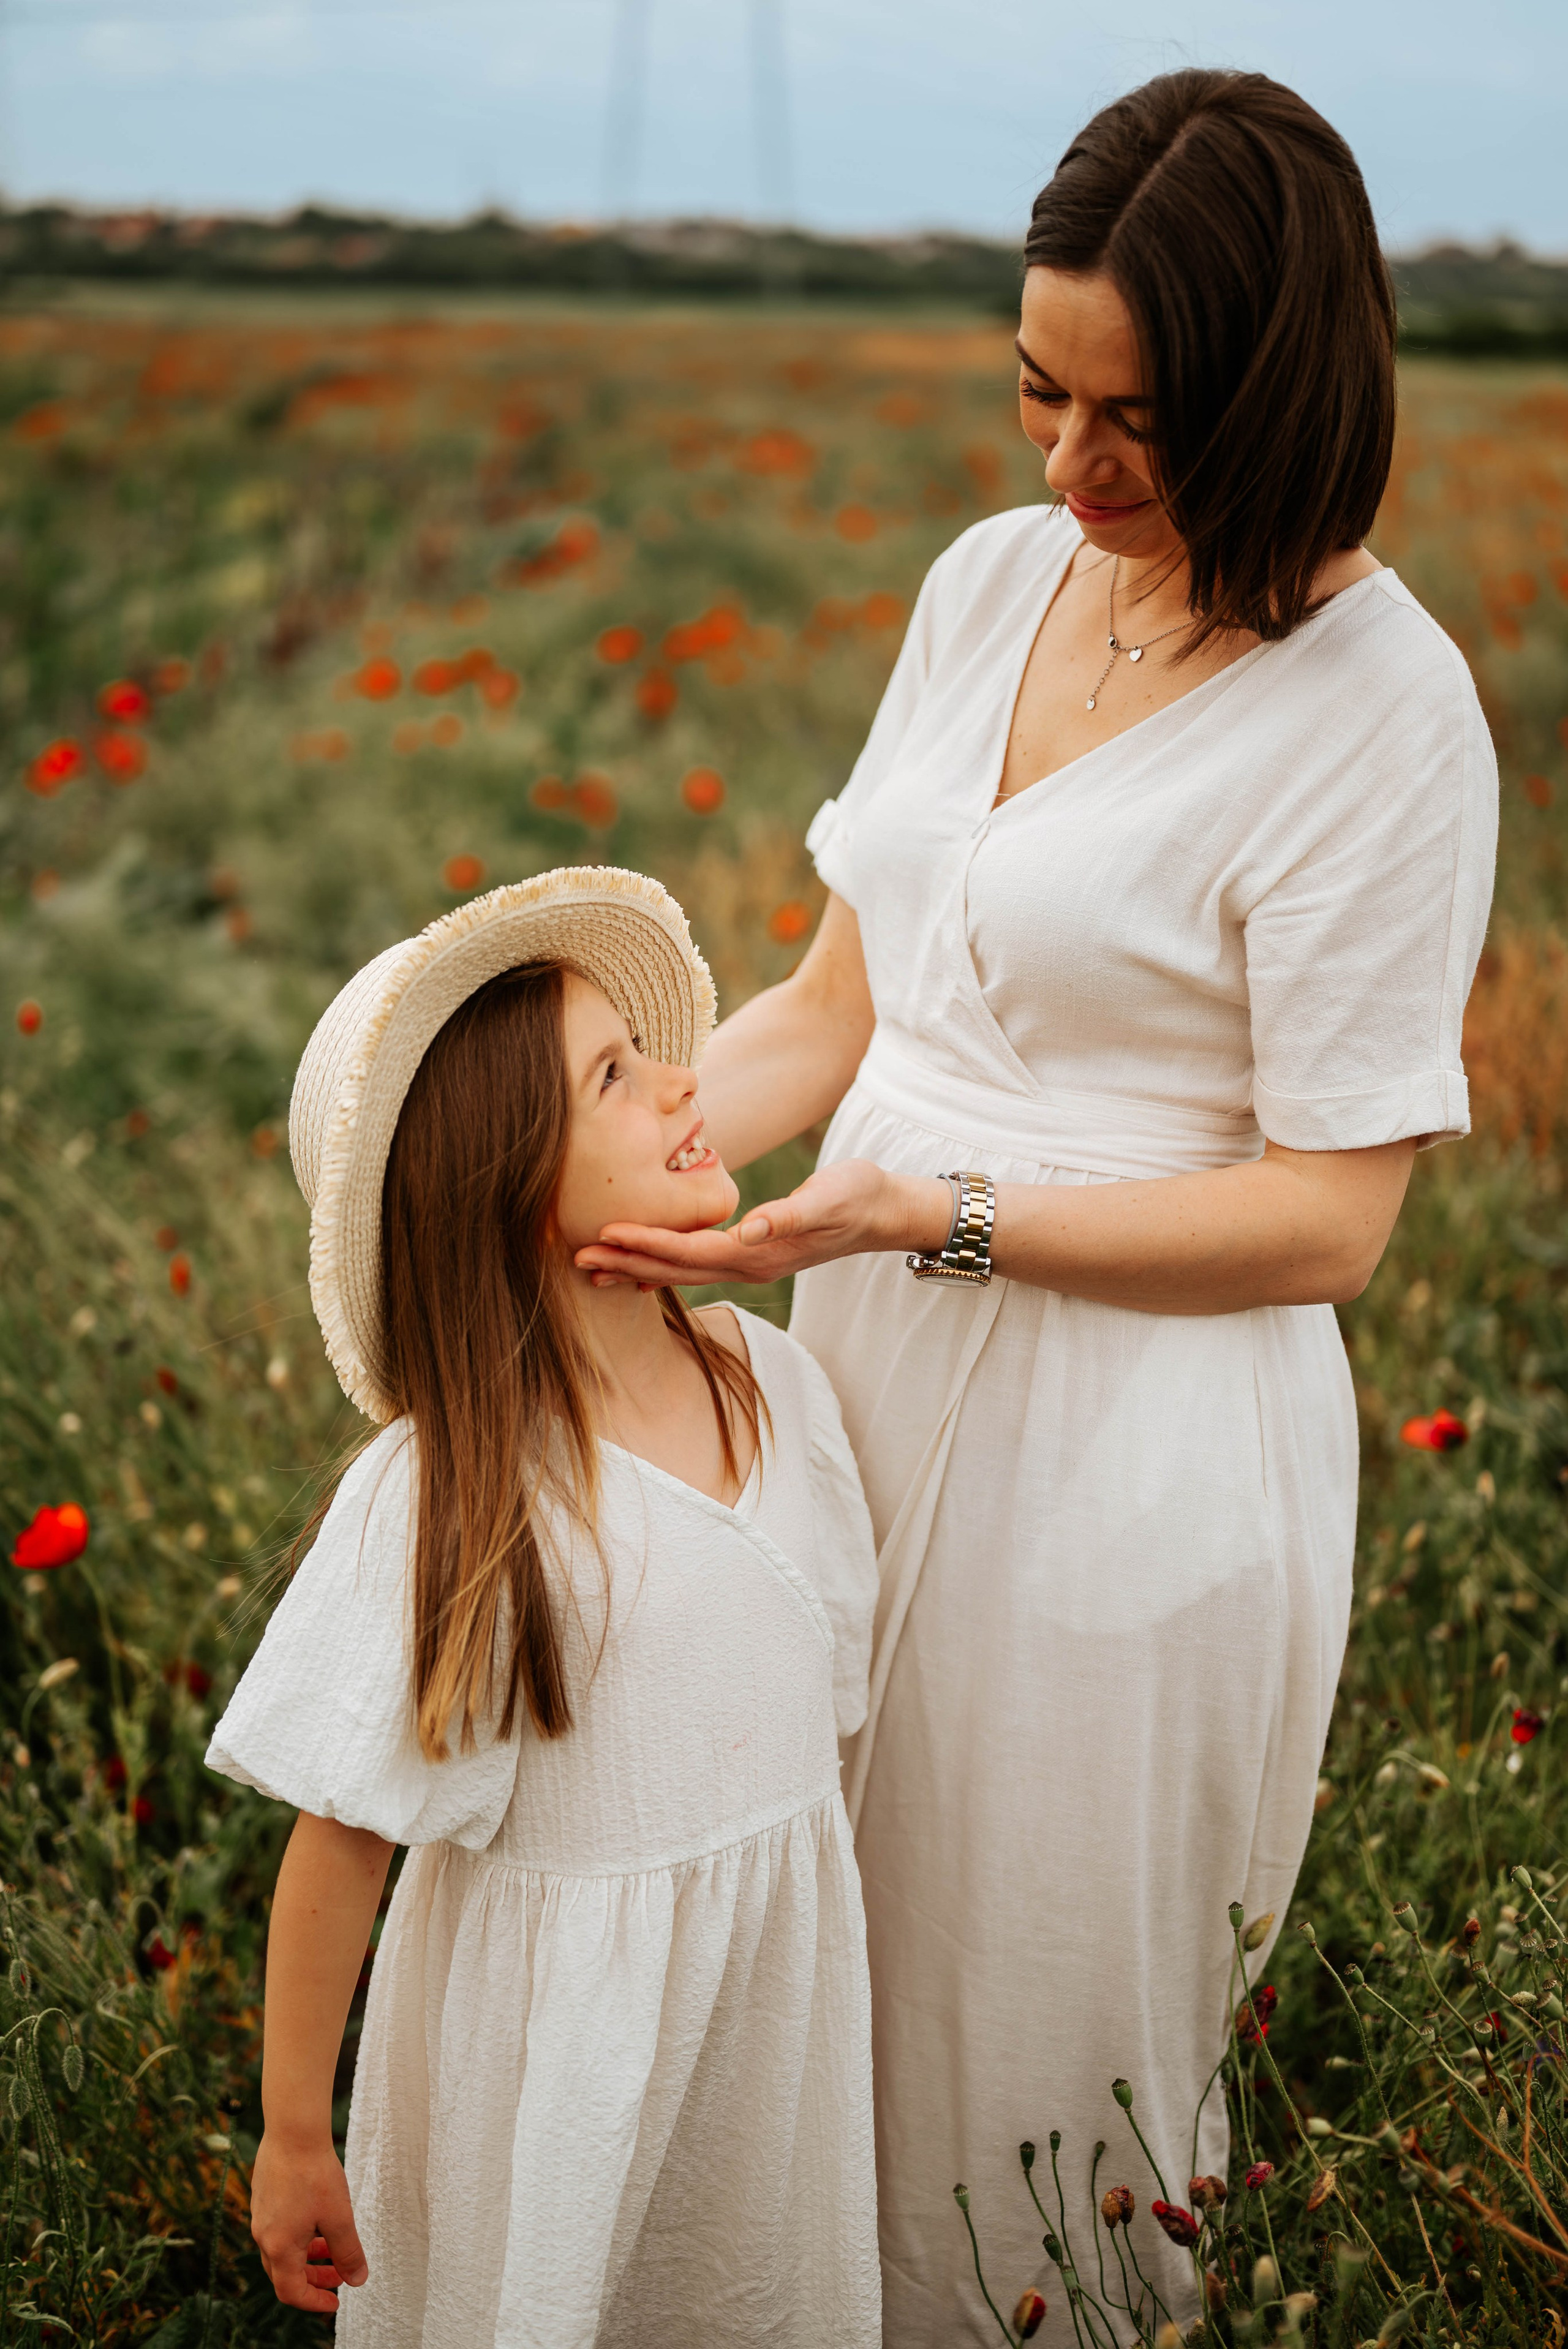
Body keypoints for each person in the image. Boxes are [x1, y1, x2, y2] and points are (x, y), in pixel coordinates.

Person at [573, 70, 1500, 2345]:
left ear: (1291, 397)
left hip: (1133, 1451)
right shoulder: (995, 584)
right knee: (806, 1953)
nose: (1068, 469)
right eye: (1035, 388)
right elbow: (833, 996)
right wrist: (614, 1149)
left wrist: (928, 1213)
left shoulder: (1392, 716)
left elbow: (1325, 1221)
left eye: (1140, 421)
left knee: (1020, 2032)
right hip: (862, 1366)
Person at [205, 868, 882, 2348]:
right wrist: (294, 2132)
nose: (682, 1080)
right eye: (614, 1077)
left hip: (765, 2022)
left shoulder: (771, 1383)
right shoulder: (454, 1492)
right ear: (508, 1181)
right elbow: (341, 1841)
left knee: (742, 2285)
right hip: (557, 2057)